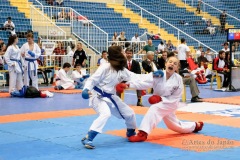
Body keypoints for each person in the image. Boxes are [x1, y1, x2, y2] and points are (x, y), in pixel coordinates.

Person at [80, 45, 164, 149]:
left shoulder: (121, 70)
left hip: (110, 96)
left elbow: (136, 77)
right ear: (117, 55)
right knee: (105, 113)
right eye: (122, 52)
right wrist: (86, 89)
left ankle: (130, 131)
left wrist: (153, 75)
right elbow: (92, 80)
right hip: (97, 96)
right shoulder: (105, 67)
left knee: (130, 113)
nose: (124, 54)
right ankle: (89, 137)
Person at [128, 55, 204, 142]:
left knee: (154, 109)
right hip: (159, 101)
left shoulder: (178, 79)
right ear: (166, 63)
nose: (172, 64)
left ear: (177, 67)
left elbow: (176, 96)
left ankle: (143, 133)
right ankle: (195, 126)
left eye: (175, 63)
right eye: (170, 62)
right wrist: (128, 85)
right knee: (174, 125)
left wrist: (161, 99)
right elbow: (145, 84)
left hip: (171, 103)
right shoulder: (159, 75)